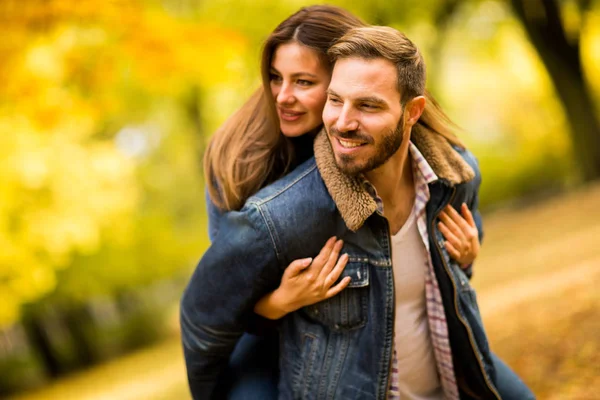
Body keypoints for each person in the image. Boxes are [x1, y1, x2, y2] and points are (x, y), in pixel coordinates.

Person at [199, 6, 483, 399]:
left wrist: (465, 254)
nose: (284, 96)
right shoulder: (244, 160)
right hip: (262, 336)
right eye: (275, 78)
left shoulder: (421, 159)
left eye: (303, 81)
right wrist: (281, 300)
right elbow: (222, 295)